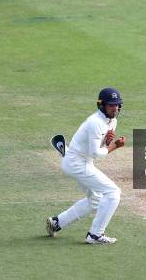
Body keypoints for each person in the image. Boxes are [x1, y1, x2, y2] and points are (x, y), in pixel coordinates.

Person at [46, 88, 126, 244]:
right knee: (113, 192)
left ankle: (57, 222)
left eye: (117, 105)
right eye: (111, 105)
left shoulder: (112, 121)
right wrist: (114, 145)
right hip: (77, 163)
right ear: (101, 105)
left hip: (81, 161)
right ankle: (95, 235)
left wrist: (107, 142)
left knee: (95, 200)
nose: (115, 108)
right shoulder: (95, 123)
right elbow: (96, 153)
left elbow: (97, 146)